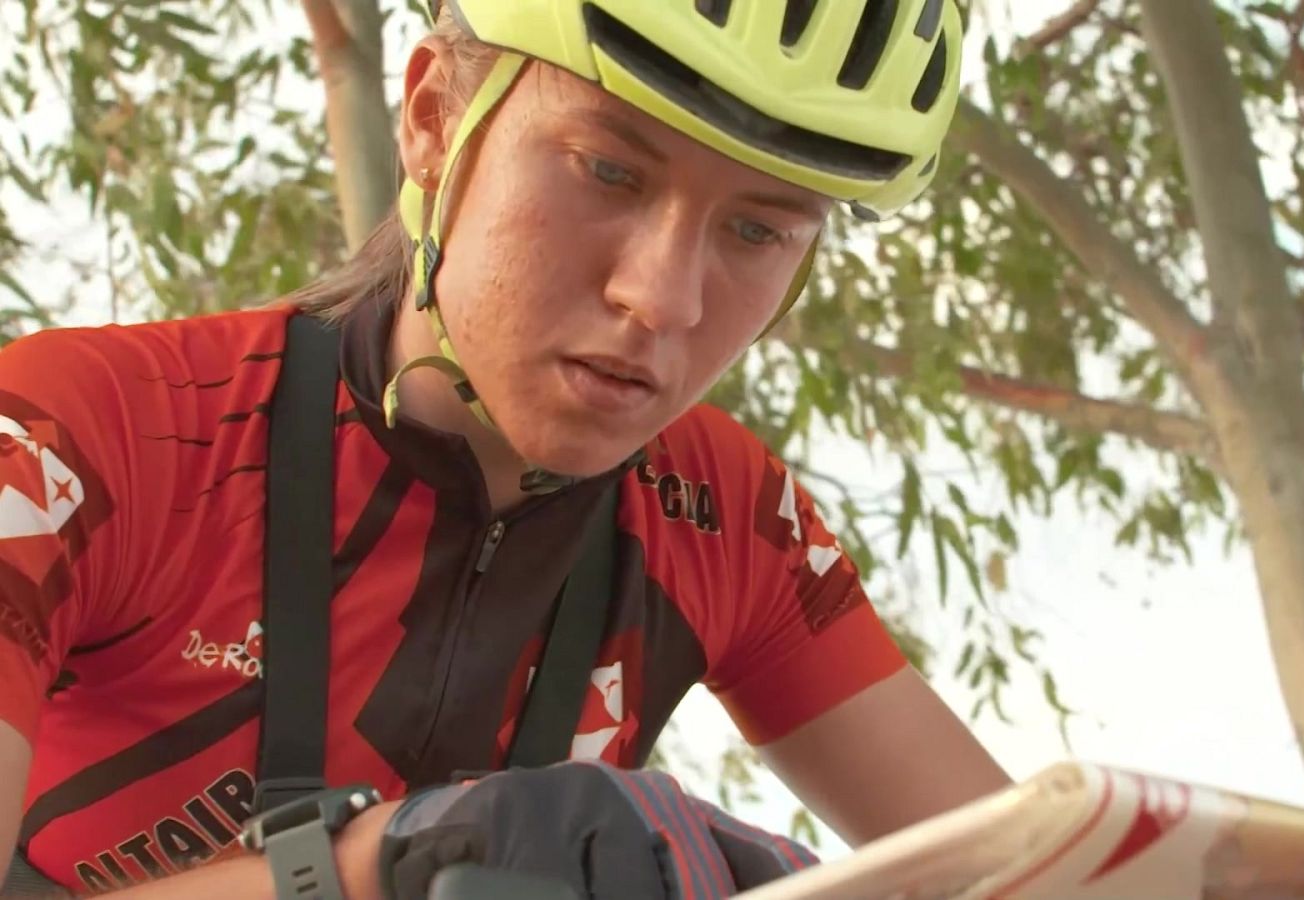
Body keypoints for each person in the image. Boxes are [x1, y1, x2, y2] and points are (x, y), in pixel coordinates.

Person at [0, 0, 1010, 897]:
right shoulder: (76, 433)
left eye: (757, 233)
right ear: (434, 120)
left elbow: (1053, 868)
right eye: (608, 170)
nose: (662, 299)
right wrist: (377, 871)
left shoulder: (728, 518)